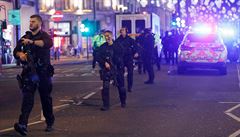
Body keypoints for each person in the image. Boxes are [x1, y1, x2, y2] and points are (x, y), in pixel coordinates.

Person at [13, 14, 55, 136]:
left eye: (33, 21)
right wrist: (20, 54)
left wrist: (31, 42)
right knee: (27, 99)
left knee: (45, 99)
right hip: (29, 73)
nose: (30, 23)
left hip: (43, 73)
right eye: (30, 21)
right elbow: (15, 51)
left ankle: (49, 122)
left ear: (39, 23)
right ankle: (22, 124)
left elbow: (47, 44)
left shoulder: (44, 36)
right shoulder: (25, 37)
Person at [96, 30, 126, 111]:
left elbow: (121, 56)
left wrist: (114, 63)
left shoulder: (118, 46)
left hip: (117, 69)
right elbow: (98, 57)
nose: (107, 37)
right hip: (106, 70)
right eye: (106, 36)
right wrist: (104, 62)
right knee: (105, 87)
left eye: (109, 35)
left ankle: (123, 101)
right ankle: (106, 105)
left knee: (121, 87)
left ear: (112, 36)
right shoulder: (102, 47)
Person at [115, 28, 138, 92]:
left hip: (129, 57)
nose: (122, 32)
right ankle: (121, 85)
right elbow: (115, 49)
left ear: (126, 32)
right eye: (121, 31)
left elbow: (135, 46)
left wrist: (136, 52)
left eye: (123, 31)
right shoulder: (118, 40)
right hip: (121, 58)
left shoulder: (130, 39)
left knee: (130, 73)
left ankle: (129, 87)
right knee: (120, 73)